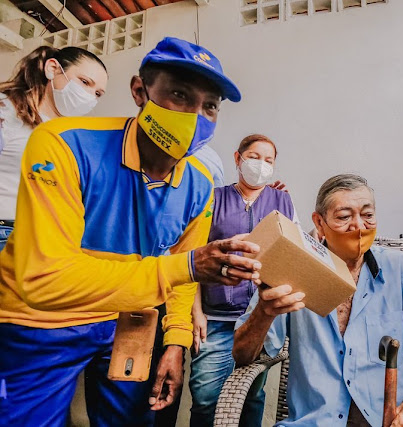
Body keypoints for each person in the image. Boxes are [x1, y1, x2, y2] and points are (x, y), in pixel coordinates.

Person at [0, 37, 264, 426]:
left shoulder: (199, 184)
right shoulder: (64, 145)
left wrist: (175, 342)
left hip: (126, 321)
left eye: (209, 106)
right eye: (179, 95)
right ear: (140, 92)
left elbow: (182, 274)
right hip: (39, 322)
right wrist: (187, 267)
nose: (195, 116)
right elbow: (44, 281)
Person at [233, 174, 403, 426]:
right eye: (344, 217)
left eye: (368, 215)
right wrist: (263, 314)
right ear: (319, 224)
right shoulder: (292, 269)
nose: (359, 226)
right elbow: (243, 355)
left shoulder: (398, 269)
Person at [189, 133, 298, 426]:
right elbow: (194, 258)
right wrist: (196, 311)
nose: (260, 165)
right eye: (253, 157)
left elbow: (296, 252)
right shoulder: (213, 198)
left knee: (252, 393)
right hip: (215, 319)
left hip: (258, 319)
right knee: (205, 396)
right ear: (238, 159)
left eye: (268, 160)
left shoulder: (283, 201)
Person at [0, 46, 108, 251]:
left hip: (44, 238)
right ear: (52, 69)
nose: (90, 96)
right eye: (84, 82)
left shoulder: (68, 137)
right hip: (7, 231)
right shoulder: (6, 110)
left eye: (98, 93)